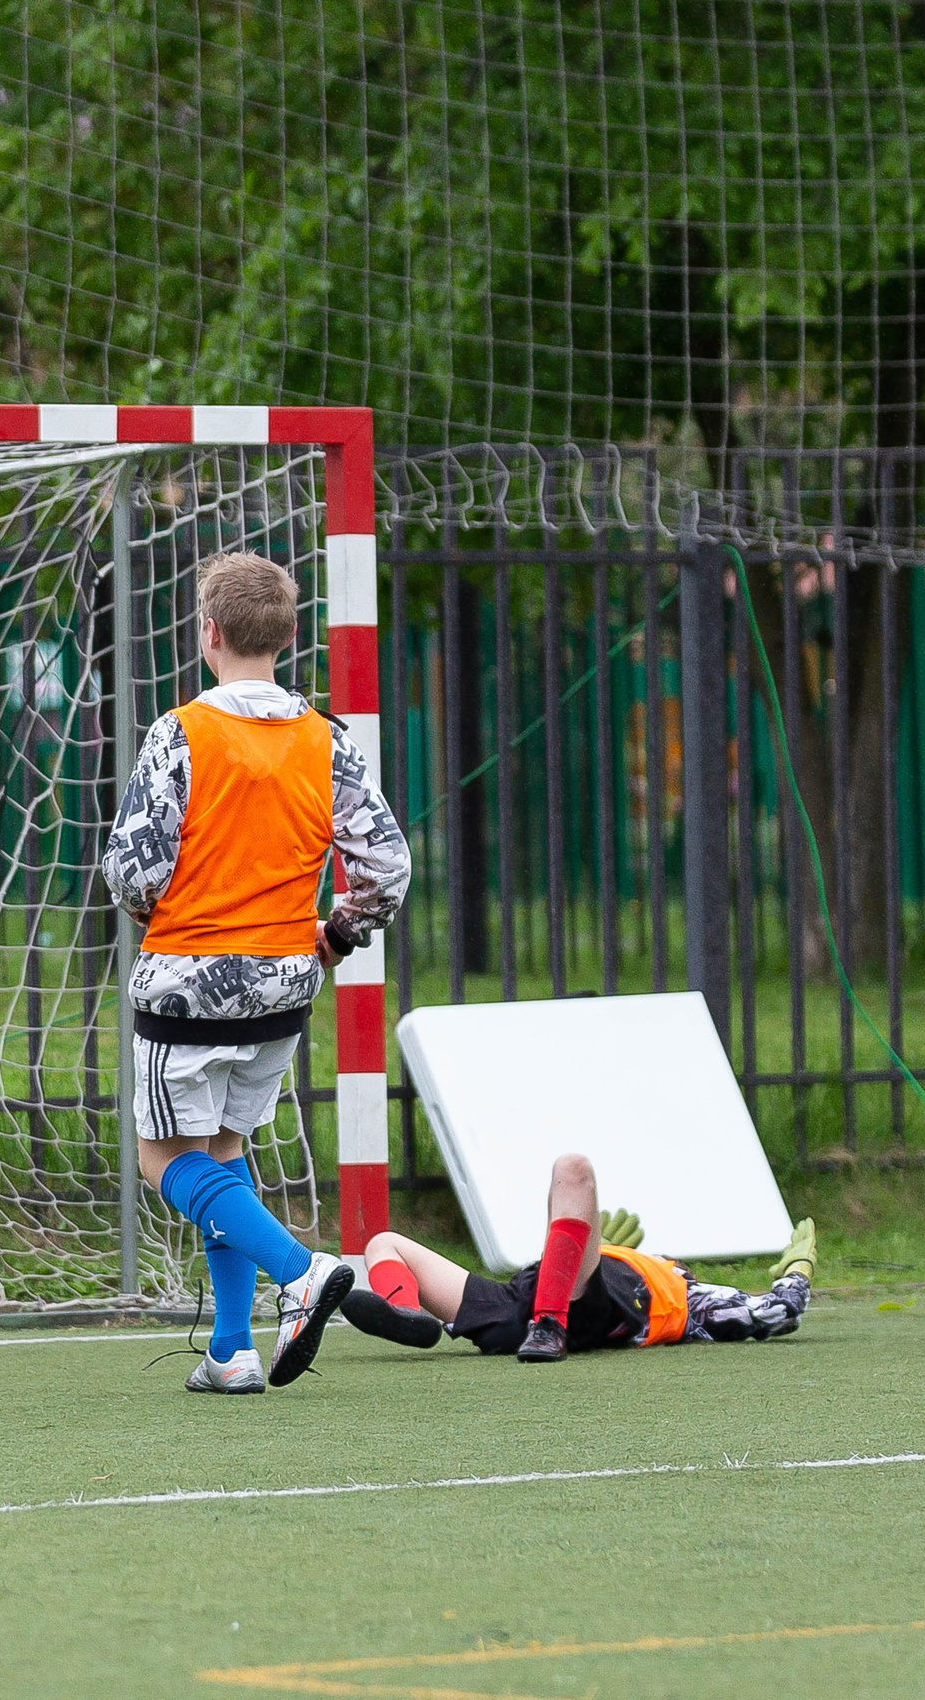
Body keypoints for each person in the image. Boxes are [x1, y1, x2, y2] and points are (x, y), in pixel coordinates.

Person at [101, 550, 412, 1394]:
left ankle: (301, 1272)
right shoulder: (325, 738)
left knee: (164, 1159)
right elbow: (386, 865)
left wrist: (154, 909)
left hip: (188, 980)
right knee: (224, 1149)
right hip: (282, 985)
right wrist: (338, 934)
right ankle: (232, 1350)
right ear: (286, 635)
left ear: (208, 631)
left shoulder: (181, 732)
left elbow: (131, 871)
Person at [344, 1152, 817, 1360]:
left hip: (581, 1310)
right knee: (383, 1243)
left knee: (573, 1167)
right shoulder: (650, 1272)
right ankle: (407, 1314)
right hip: (524, 1302)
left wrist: (798, 1268)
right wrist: (796, 1270)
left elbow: (777, 1311)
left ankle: (550, 1326)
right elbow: (778, 1309)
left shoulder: (690, 1296)